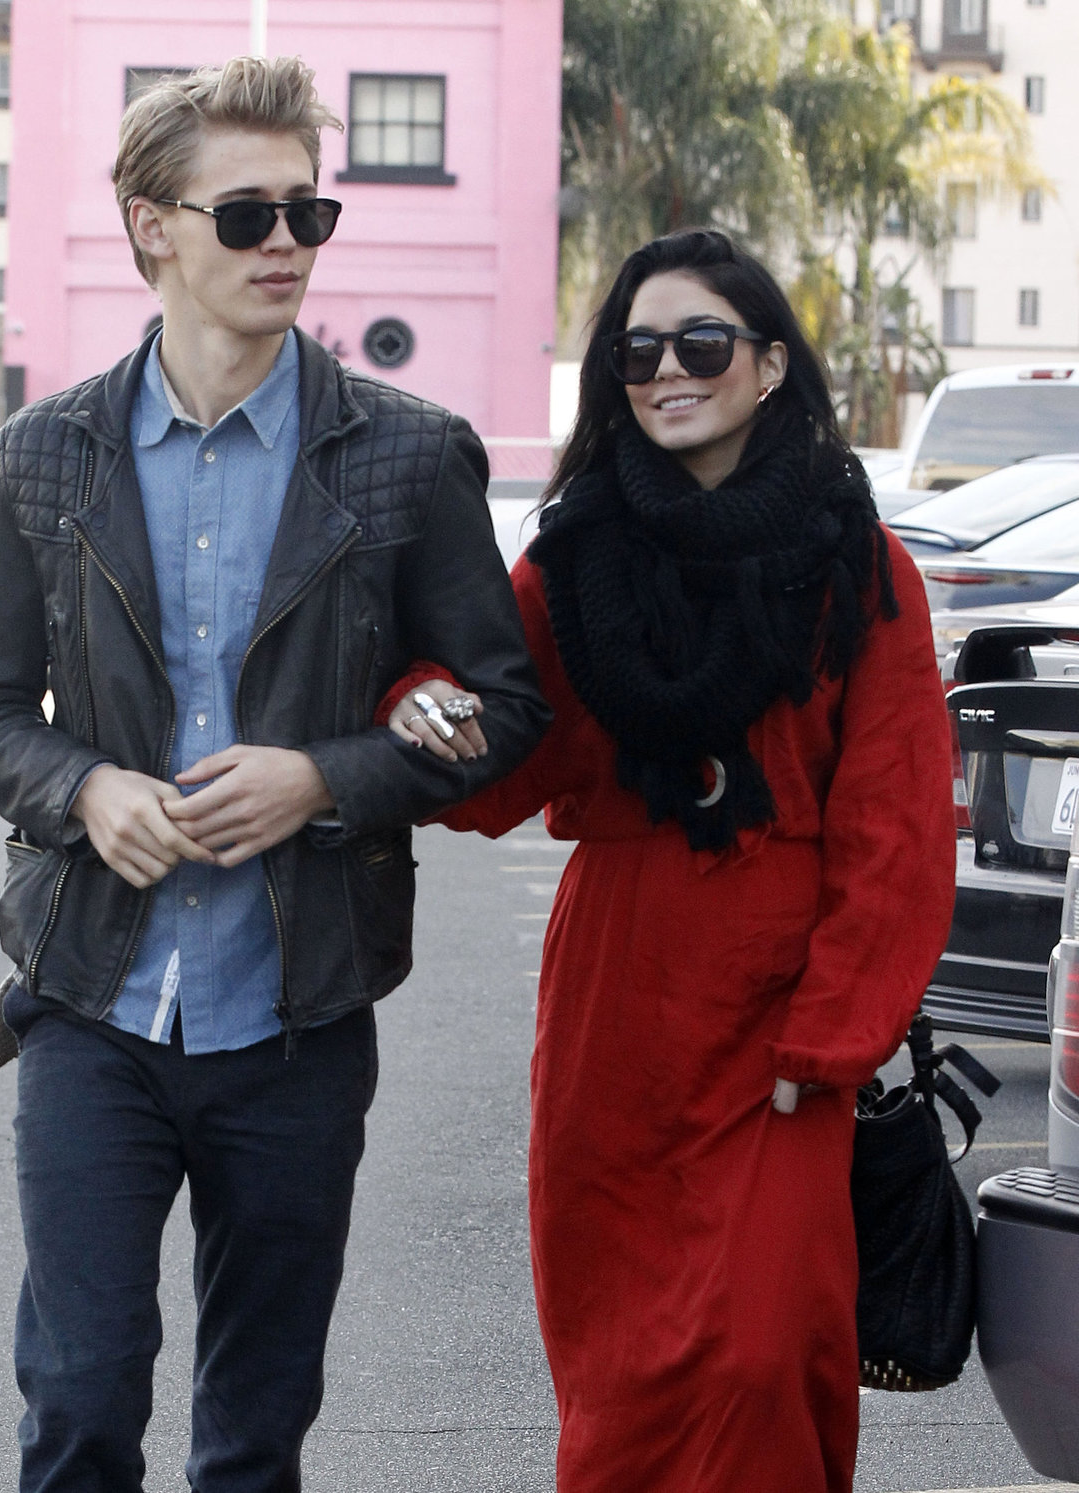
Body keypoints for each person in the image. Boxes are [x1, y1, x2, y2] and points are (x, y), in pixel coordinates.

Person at [0, 56, 548, 1493]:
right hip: (89, 997)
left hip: (297, 1007)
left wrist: (325, 778)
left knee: (254, 1431)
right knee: (80, 1402)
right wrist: (84, 788)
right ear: (153, 229)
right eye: (249, 214)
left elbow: (504, 705)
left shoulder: (405, 457)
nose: (285, 244)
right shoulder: (48, 454)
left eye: (308, 215)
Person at [382, 229, 956, 1493]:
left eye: (700, 342)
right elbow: (501, 748)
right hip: (617, 998)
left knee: (760, 1354)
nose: (665, 371)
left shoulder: (858, 564)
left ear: (765, 366)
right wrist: (423, 708)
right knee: (623, 1359)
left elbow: (899, 825)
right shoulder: (572, 559)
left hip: (781, 1018)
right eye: (636, 350)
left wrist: (834, 1034)